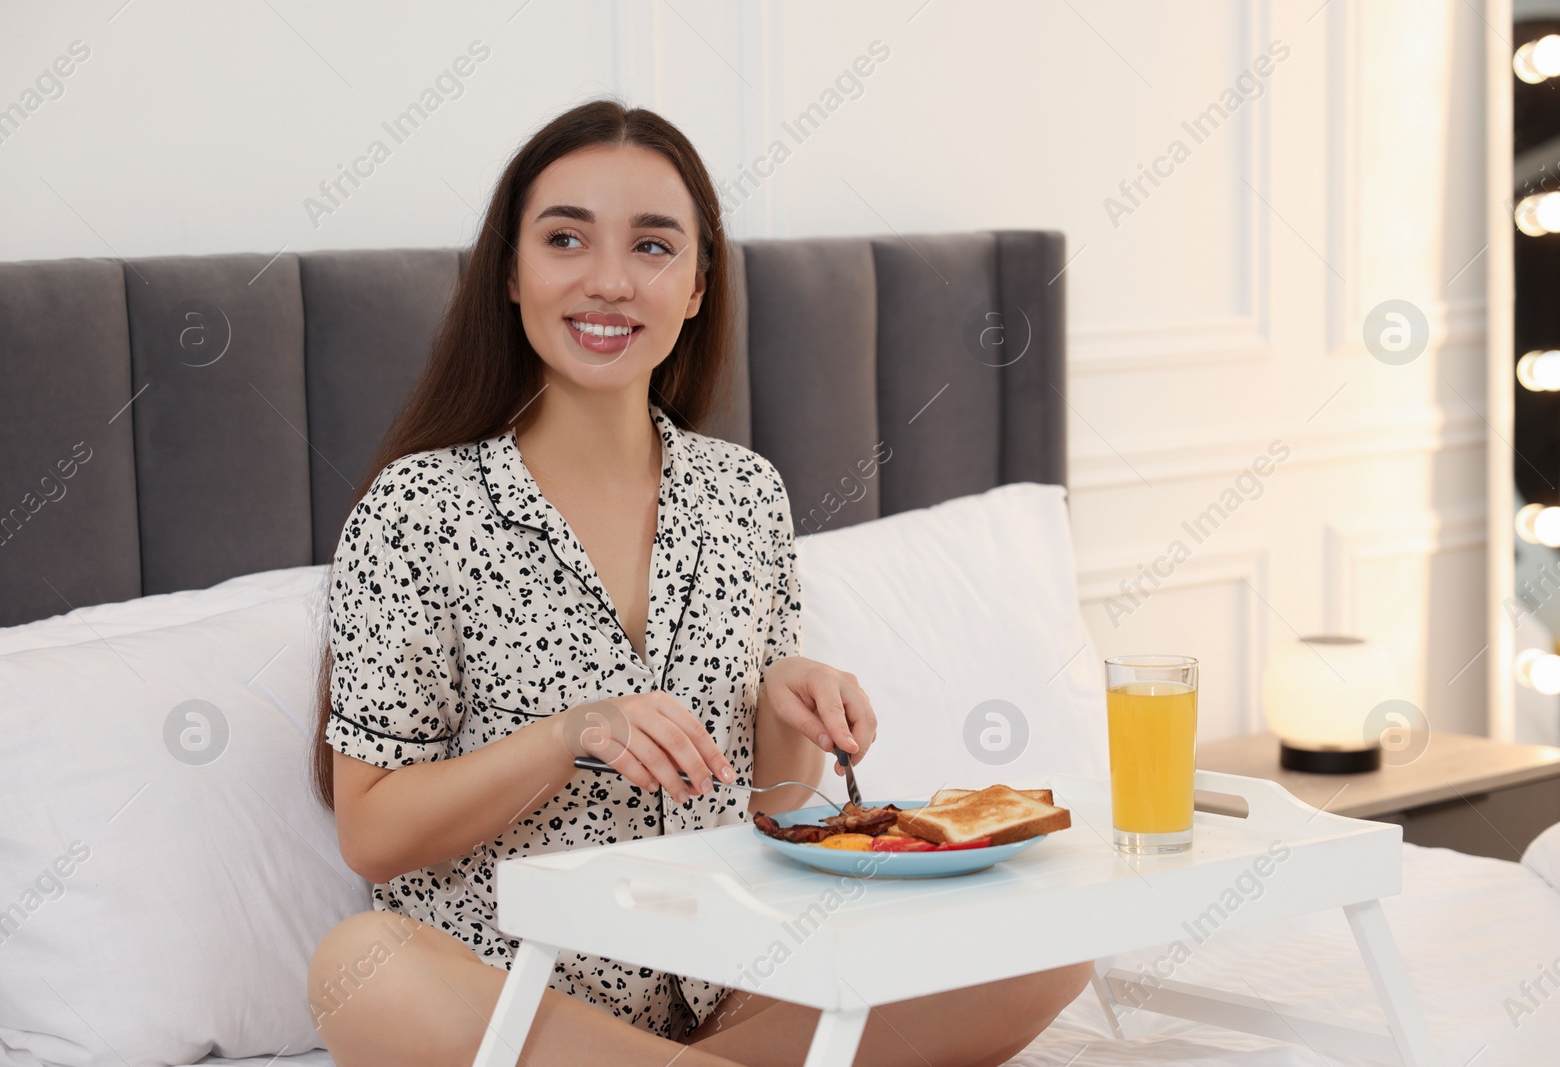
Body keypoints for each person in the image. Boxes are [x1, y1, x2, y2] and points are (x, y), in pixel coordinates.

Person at [306, 98, 1093, 1067]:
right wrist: (566, 737)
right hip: (505, 1004)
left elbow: (775, 802)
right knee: (361, 962)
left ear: (695, 286)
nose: (607, 281)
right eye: (565, 239)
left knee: (1049, 945)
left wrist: (784, 704)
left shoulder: (745, 494)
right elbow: (372, 831)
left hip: (727, 993)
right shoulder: (418, 507)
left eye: (652, 246)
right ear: (510, 273)